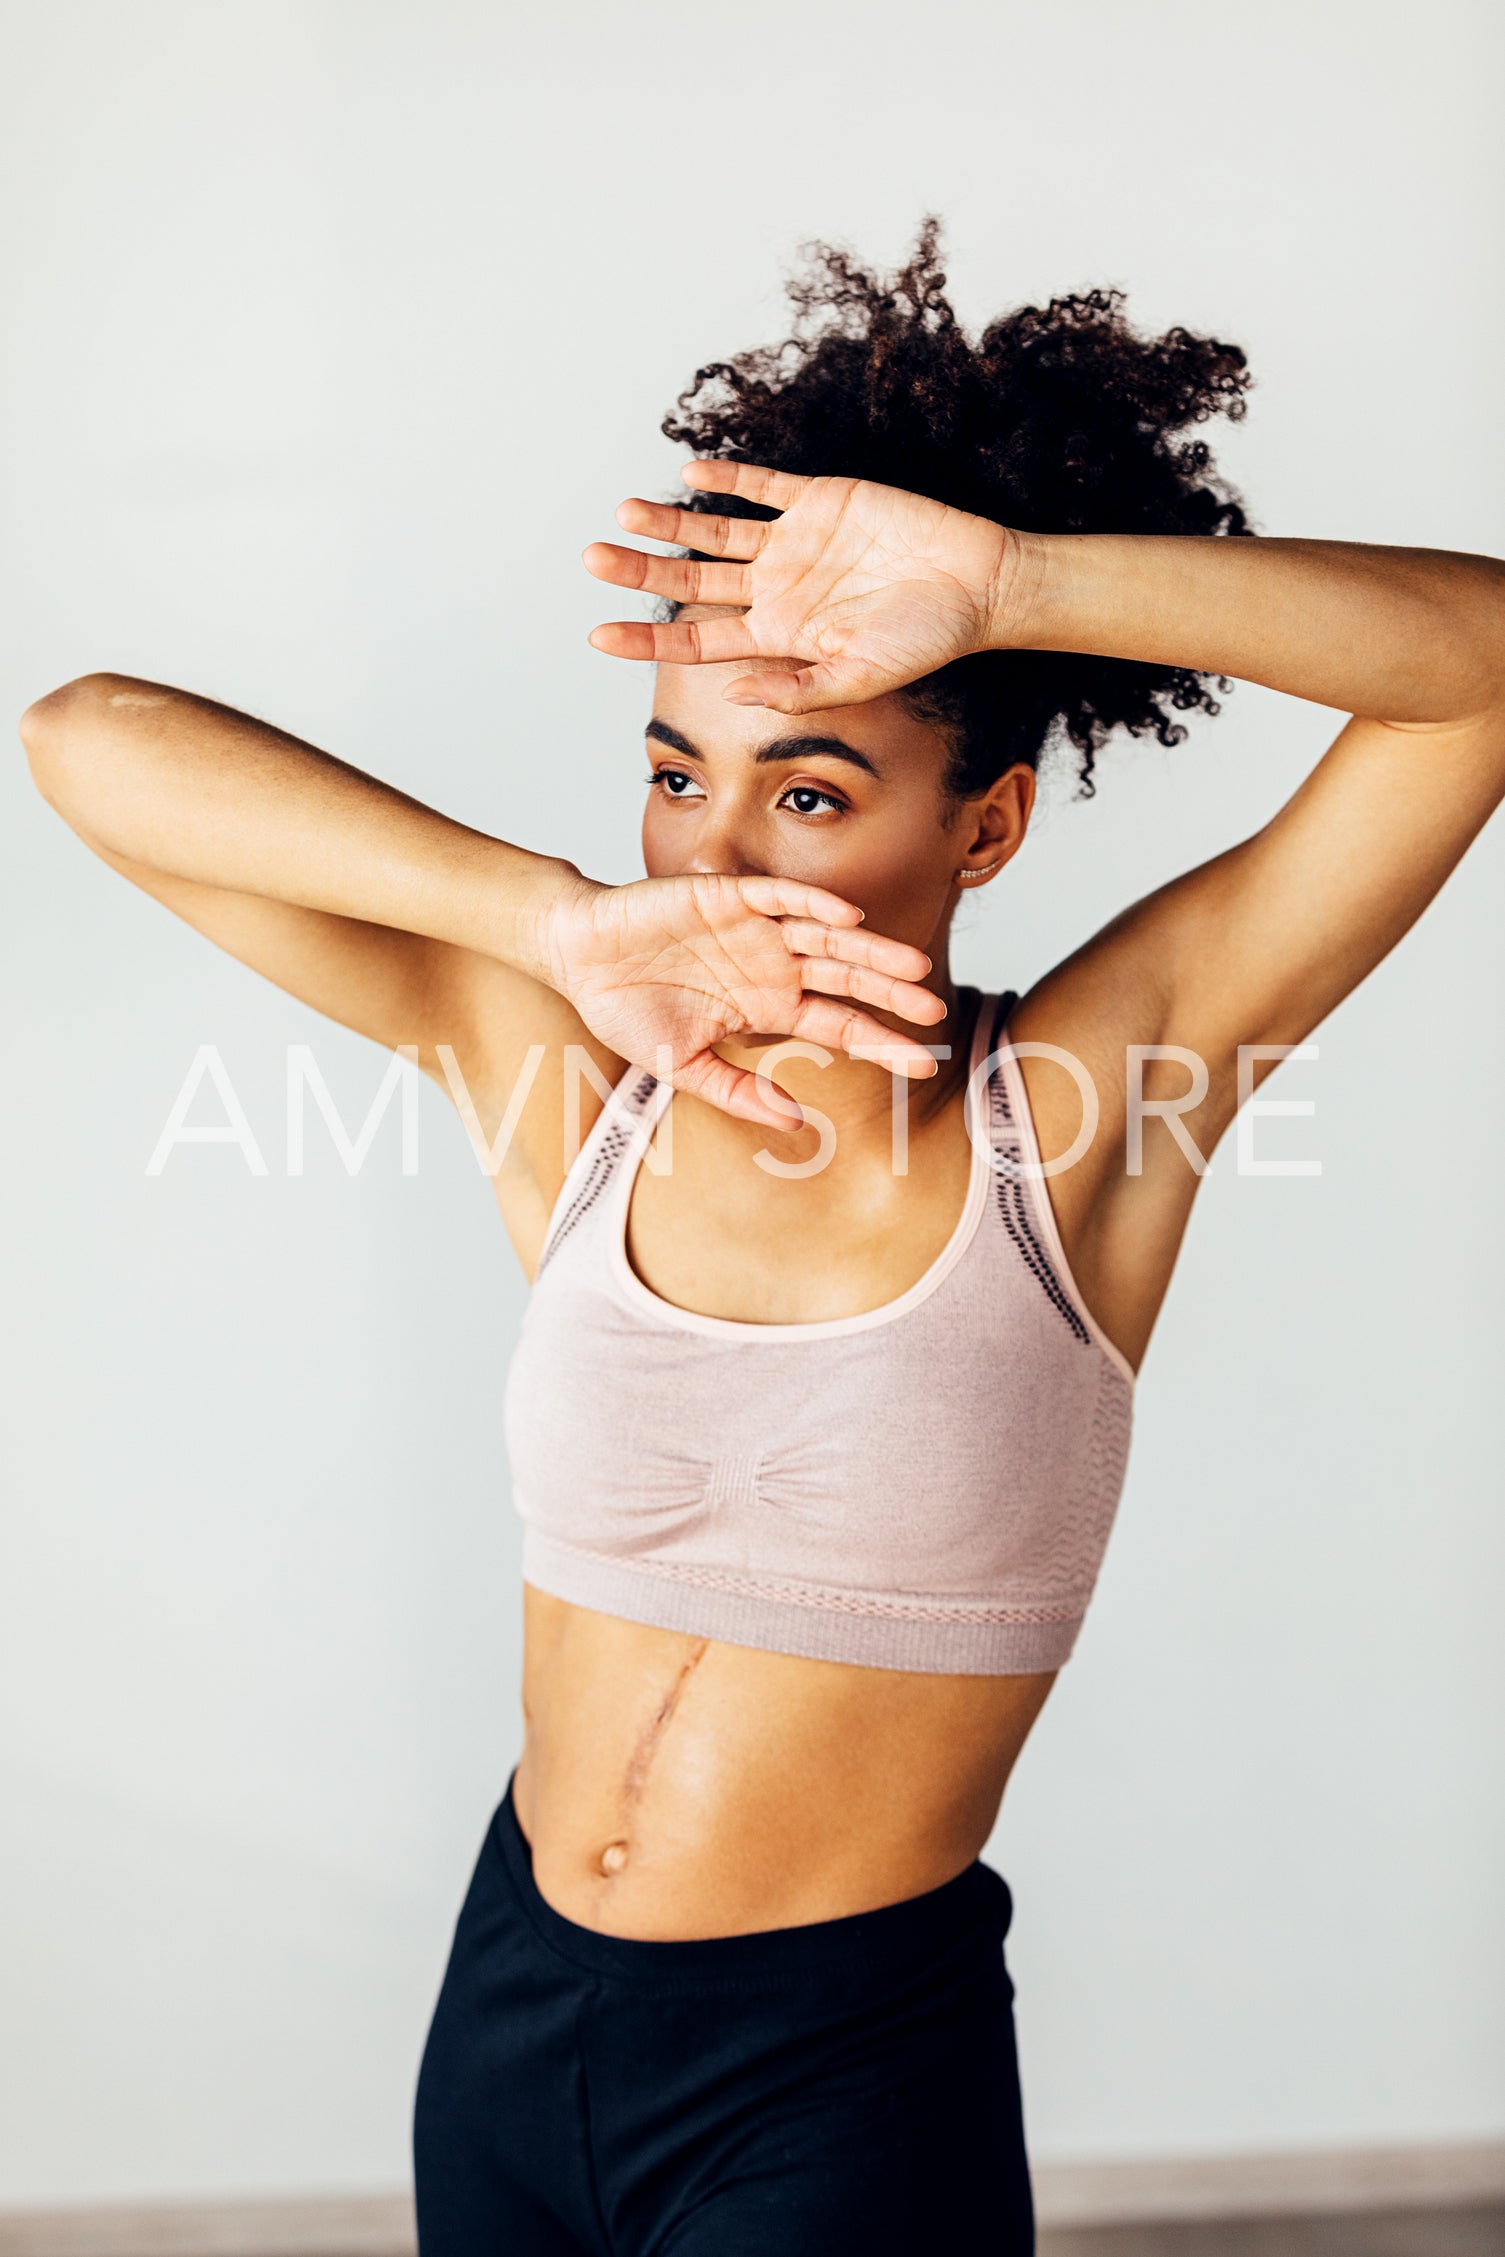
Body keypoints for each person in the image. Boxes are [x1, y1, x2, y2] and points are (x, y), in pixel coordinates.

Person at [20, 222, 1505, 2255]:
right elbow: (86, 737)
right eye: (676, 774)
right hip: (515, 2015)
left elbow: (1482, 669)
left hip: (833, 2074)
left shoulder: (1079, 1110)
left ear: (981, 829)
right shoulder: (561, 1066)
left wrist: (1009, 585)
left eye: (811, 794)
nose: (711, 854)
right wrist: (544, 917)